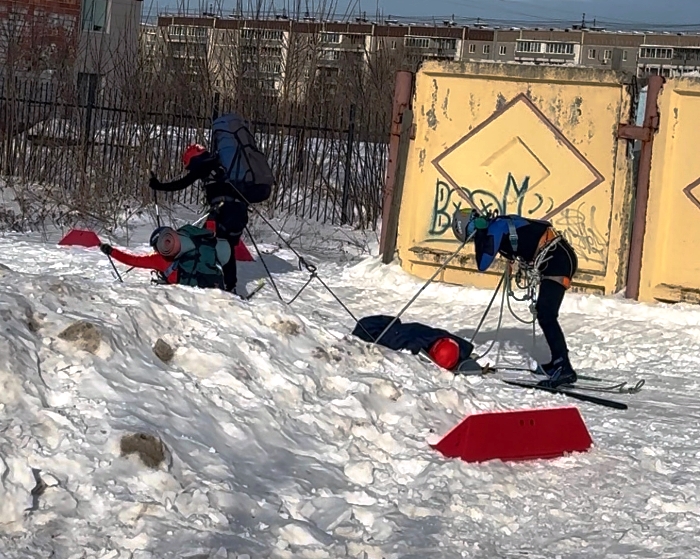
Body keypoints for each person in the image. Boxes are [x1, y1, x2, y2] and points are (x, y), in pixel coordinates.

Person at [451, 207, 579, 388]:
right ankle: (557, 362)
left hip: (558, 261)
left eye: (471, 236)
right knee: (545, 313)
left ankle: (564, 367)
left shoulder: (496, 227)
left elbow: (483, 263)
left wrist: (480, 234)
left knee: (546, 314)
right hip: (557, 258)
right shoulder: (499, 224)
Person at [148, 144, 247, 294]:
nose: (190, 170)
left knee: (205, 243)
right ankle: (229, 285)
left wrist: (159, 186)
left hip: (223, 211)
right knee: (227, 247)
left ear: (193, 159)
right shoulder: (220, 164)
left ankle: (207, 279)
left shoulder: (204, 165)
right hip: (240, 211)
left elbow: (182, 183)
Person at [99, 224, 231, 290]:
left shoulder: (160, 259)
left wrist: (111, 251)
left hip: (189, 290)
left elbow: (133, 260)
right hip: (213, 281)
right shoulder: (193, 243)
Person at [351, 315, 483, 372]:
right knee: (367, 329)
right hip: (388, 329)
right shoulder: (411, 343)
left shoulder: (456, 345)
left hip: (400, 330)